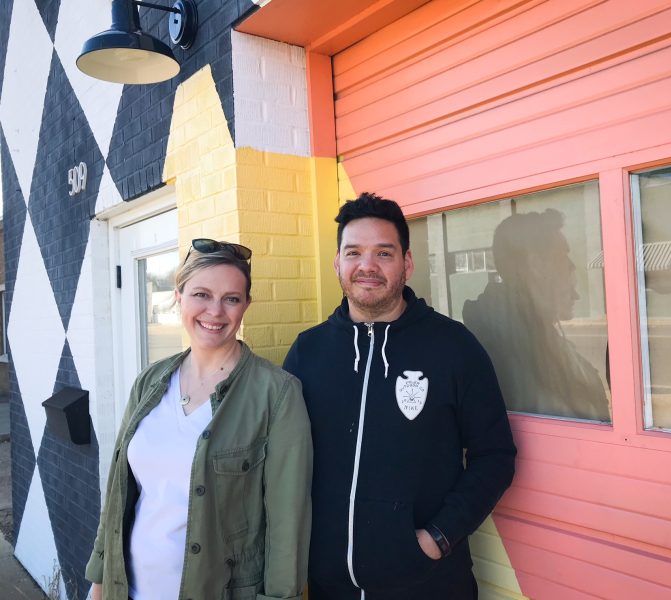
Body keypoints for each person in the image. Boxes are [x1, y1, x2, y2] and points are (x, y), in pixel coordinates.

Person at [283, 193, 516, 600]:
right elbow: (286, 460)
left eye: (383, 253)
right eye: (354, 252)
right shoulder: (308, 351)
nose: (367, 266)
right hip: (329, 585)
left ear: (406, 263)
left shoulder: (454, 347)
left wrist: (438, 537)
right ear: (337, 263)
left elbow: (494, 455)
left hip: (428, 584)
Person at [85, 238, 312, 600]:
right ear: (179, 297)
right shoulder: (149, 381)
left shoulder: (277, 393)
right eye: (201, 294)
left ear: (246, 305)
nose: (215, 311)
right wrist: (99, 582)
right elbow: (118, 493)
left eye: (231, 299)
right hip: (128, 589)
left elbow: (288, 524)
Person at [462, 210, 610, 420]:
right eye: (564, 256)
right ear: (536, 264)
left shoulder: (534, 330)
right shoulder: (506, 343)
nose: (572, 267)